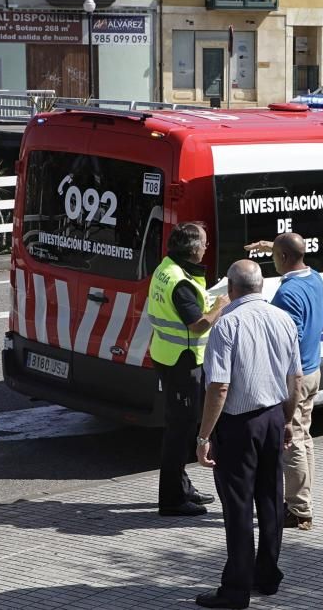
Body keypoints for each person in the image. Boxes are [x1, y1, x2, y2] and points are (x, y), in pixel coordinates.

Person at [195, 260, 303, 609]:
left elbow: (220, 386)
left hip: (238, 425)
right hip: (273, 417)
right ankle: (267, 576)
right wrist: (287, 420)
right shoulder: (283, 319)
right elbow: (295, 378)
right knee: (271, 500)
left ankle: (236, 591)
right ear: (260, 286)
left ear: (231, 289)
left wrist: (203, 436)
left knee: (239, 509)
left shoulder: (227, 326)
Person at [245, 233, 323, 531]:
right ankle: (301, 501)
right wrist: (272, 246)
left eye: (275, 256)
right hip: (313, 369)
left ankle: (299, 510)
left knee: (290, 441)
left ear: (282, 259)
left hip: (296, 377)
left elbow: (287, 341)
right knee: (303, 439)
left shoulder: (287, 294)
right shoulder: (315, 278)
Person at [149, 221, 229, 517]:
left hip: (166, 355)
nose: (207, 248)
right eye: (205, 244)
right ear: (193, 249)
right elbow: (197, 326)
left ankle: (182, 486)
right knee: (179, 432)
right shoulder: (180, 283)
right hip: (181, 361)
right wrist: (221, 304)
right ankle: (171, 500)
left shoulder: (166, 268)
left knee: (181, 426)